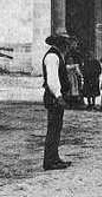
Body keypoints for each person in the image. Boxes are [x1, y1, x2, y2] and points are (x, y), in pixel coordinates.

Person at [42, 34, 72, 171]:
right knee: (53, 129)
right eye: (65, 44)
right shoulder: (52, 57)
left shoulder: (56, 55)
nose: (67, 47)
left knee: (56, 128)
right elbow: (52, 80)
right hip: (54, 98)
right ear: (60, 44)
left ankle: (54, 158)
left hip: (56, 97)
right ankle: (50, 161)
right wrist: (59, 96)